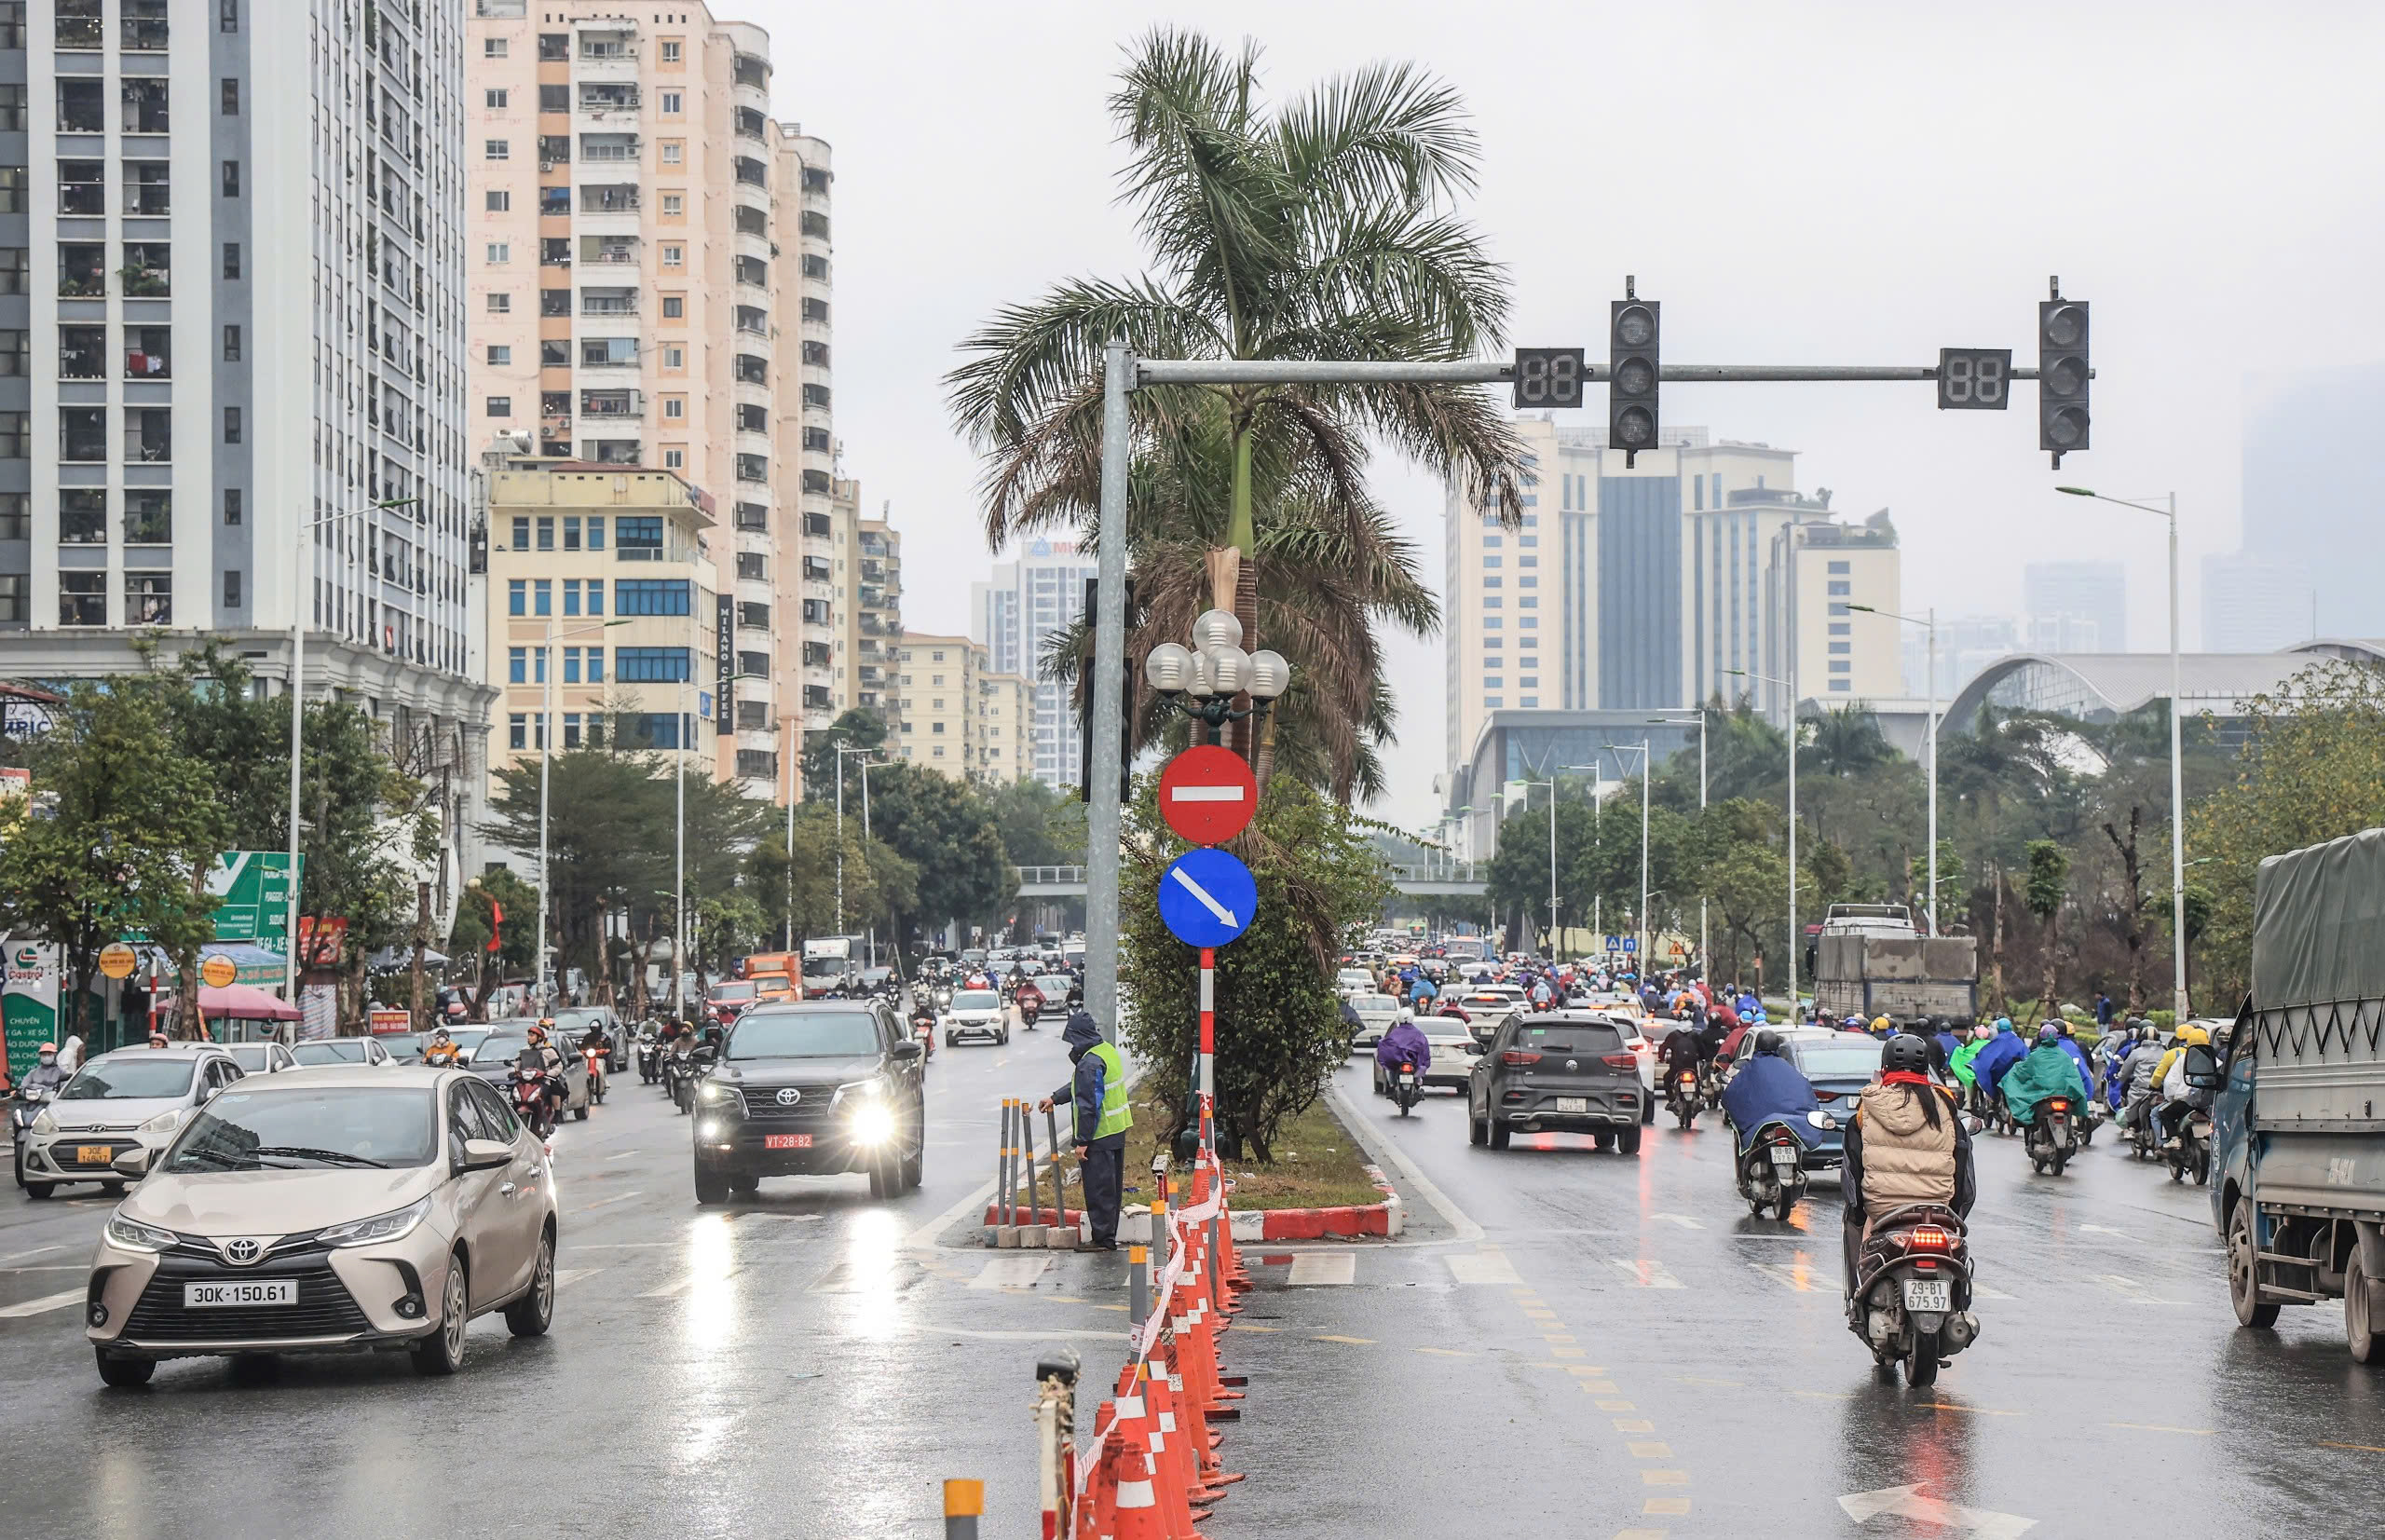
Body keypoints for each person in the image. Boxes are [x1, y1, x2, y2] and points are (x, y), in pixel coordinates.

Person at [1840, 1033, 1976, 1296]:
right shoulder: (1946, 1107)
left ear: (1884, 1068)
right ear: (1926, 1068)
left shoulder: (1866, 1109)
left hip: (1882, 1209)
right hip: (1938, 1207)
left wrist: (1858, 1216)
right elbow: (1963, 1171)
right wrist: (1955, 1213)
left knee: (1853, 1228)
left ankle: (1856, 1294)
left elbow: (1852, 1173)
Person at [1037, 1011, 1131, 1250]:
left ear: (1077, 1037)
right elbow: (1082, 1086)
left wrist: (1083, 1141)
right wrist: (1055, 1098)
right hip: (1115, 1131)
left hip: (1099, 1135)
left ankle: (1103, 1240)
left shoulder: (1089, 1062)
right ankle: (1107, 1235)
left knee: (1099, 1189)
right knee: (1111, 1189)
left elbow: (1089, 1104)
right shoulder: (1105, 1051)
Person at [1723, 1029, 1819, 1152]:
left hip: (1763, 1126)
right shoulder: (1788, 1068)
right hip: (1792, 1123)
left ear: (1757, 1046)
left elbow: (1732, 1093)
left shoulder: (1750, 1068)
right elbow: (1806, 1094)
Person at [2002, 1024, 2093, 1133]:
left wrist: (2008, 1079)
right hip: (2064, 1097)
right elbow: (2075, 1078)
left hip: (2042, 1097)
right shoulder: (2065, 1056)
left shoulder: (2035, 1056)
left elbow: (2020, 1073)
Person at [1376, 1015, 1432, 1097]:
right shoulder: (1418, 1034)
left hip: (1404, 1063)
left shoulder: (1394, 1033)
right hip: (1409, 1063)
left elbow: (1386, 1045)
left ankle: (1396, 1085)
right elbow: (1424, 1049)